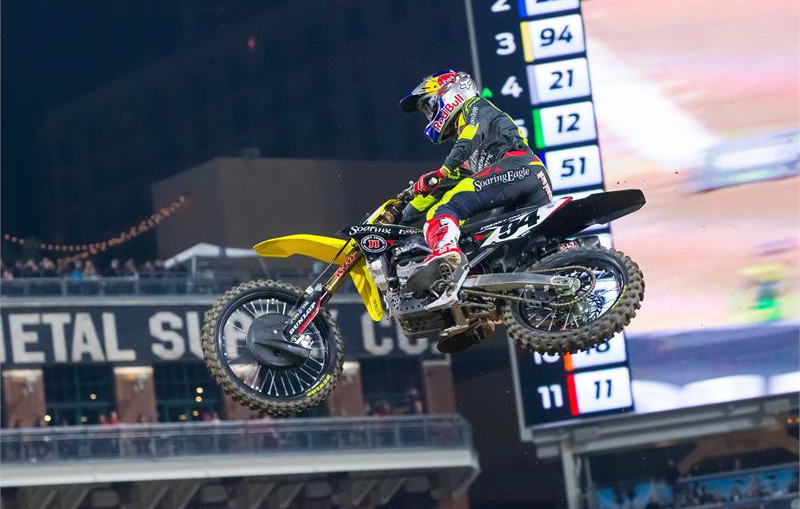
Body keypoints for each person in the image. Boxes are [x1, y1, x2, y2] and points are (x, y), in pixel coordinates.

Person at [399, 70, 553, 289]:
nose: (429, 115)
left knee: (444, 210)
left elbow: (470, 137)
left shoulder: (475, 107)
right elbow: (439, 188)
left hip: (520, 167)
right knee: (492, 255)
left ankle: (445, 250)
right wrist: (401, 216)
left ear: (450, 93)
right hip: (529, 181)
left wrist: (442, 171)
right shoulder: (470, 155)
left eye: (429, 106)